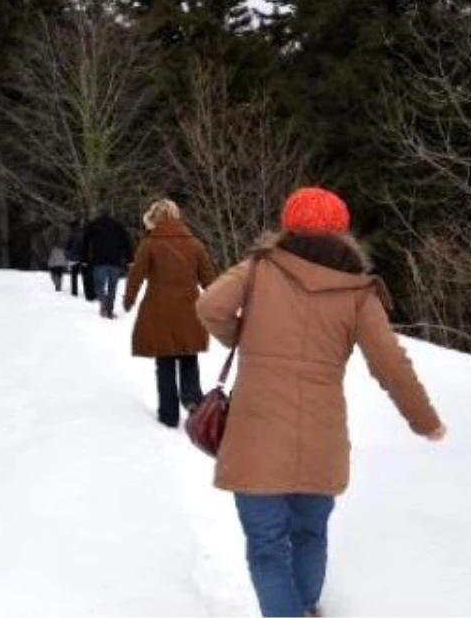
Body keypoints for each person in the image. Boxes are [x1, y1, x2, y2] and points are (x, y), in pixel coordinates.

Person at [195, 187, 447, 618]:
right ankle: (306, 607)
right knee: (310, 532)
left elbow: (209, 306)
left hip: (256, 436)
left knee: (267, 547)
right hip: (321, 437)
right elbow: (390, 363)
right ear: (341, 230)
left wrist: (243, 338)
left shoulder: (258, 269)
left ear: (288, 225)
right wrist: (424, 421)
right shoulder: (358, 290)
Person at [122, 199, 216, 428]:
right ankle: (193, 400)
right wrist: (218, 304)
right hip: (189, 312)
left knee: (164, 363)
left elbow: (135, 276)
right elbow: (209, 280)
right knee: (188, 358)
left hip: (159, 313)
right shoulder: (195, 245)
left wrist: (129, 300)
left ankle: (169, 414)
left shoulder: (149, 245)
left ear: (154, 218)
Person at [82, 210, 133, 318]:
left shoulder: (94, 224)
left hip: (99, 260)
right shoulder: (118, 225)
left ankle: (104, 302)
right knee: (112, 286)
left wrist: (85, 258)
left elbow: (85, 240)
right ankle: (109, 308)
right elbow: (127, 241)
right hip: (115, 261)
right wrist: (129, 259)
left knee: (99, 285)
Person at [65, 219, 89, 299]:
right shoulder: (85, 234)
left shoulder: (71, 235)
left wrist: (68, 257)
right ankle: (87, 293)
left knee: (74, 276)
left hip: (74, 259)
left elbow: (67, 247)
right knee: (85, 277)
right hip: (84, 258)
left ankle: (74, 293)